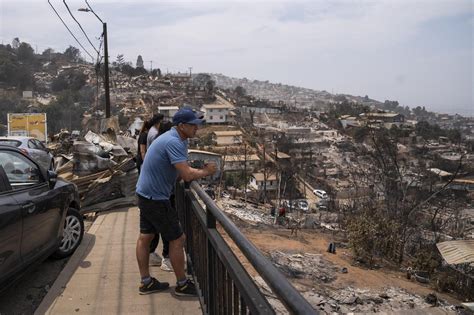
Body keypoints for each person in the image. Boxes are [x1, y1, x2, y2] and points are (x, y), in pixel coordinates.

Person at [135, 107, 217, 296]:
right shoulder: (174, 141)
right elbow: (187, 174)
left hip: (146, 193)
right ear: (181, 126)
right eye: (193, 124)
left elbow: (179, 171)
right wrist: (206, 171)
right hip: (155, 197)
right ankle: (182, 284)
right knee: (178, 238)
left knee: (145, 238)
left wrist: (186, 173)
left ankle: (146, 282)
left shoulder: (176, 138)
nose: (197, 128)